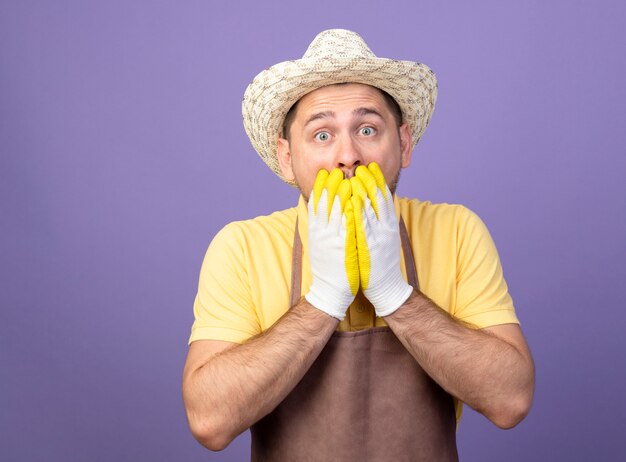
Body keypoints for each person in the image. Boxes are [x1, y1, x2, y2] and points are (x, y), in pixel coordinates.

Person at [182, 29, 534, 461]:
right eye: (322, 135)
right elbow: (209, 423)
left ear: (402, 144)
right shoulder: (242, 248)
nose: (348, 156)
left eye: (367, 128)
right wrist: (324, 300)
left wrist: (394, 293)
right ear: (287, 157)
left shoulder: (456, 231)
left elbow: (511, 401)